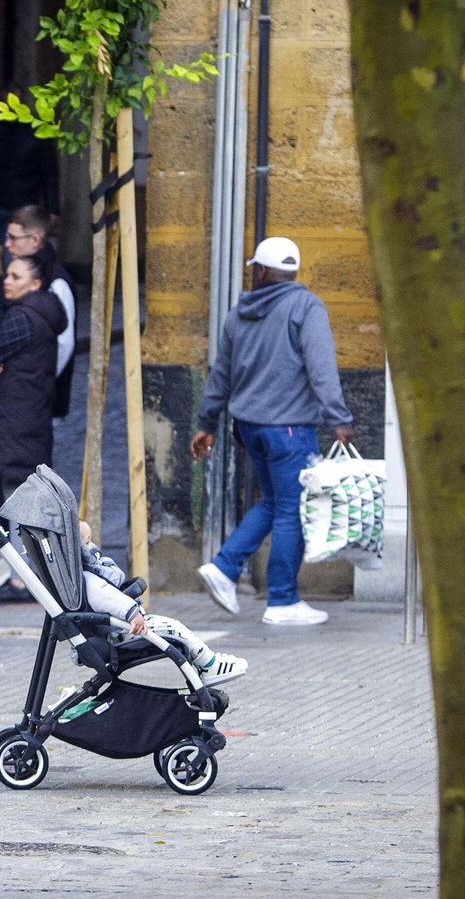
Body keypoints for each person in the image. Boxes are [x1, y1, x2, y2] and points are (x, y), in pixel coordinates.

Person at [191, 236, 354, 627]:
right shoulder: (306, 307)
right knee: (291, 509)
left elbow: (221, 374)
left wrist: (206, 423)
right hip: (290, 429)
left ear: (261, 271)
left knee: (273, 502)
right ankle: (282, 600)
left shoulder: (239, 313)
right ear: (293, 272)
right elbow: (321, 367)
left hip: (249, 427)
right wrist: (340, 418)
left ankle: (224, 567)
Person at [0, 255, 68, 603]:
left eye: (15, 276)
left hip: (14, 422)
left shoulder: (23, 317)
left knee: (17, 501)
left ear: (35, 283)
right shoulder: (42, 315)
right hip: (26, 419)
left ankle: (21, 581)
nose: (6, 280)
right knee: (18, 500)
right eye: (7, 274)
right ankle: (17, 574)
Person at [77, 522, 249, 686]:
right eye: (88, 542)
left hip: (119, 628)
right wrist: (132, 613)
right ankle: (210, 665)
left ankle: (206, 665)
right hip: (120, 631)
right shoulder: (89, 579)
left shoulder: (83, 577)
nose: (94, 546)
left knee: (174, 630)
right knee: (174, 629)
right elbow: (108, 598)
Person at [4, 205, 77, 418]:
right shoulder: (24, 272)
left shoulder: (56, 281)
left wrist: (39, 384)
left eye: (13, 238)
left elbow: (65, 343)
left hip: (41, 399)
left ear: (34, 240)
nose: (7, 244)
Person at [0, 112, 60, 255]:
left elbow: (49, 172)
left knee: (13, 254)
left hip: (19, 205)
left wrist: (52, 208)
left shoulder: (35, 128)